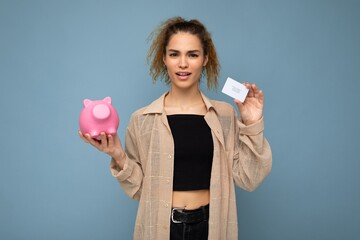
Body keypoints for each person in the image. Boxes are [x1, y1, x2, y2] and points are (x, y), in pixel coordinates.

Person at [79, 16, 272, 240]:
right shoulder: (142, 119)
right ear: (164, 59)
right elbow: (140, 190)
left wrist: (252, 122)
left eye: (192, 54)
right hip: (161, 229)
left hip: (211, 227)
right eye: (174, 54)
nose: (183, 64)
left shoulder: (225, 115)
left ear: (205, 59)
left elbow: (249, 178)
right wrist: (118, 155)